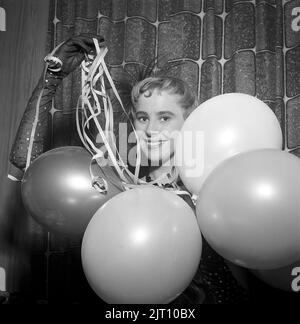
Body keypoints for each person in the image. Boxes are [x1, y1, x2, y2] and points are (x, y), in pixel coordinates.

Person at [10, 34, 249, 304]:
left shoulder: (210, 189)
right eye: (143, 118)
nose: (151, 130)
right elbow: (27, 161)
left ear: (189, 124)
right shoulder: (117, 185)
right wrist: (52, 77)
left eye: (165, 118)